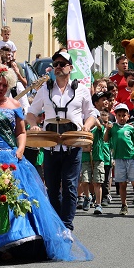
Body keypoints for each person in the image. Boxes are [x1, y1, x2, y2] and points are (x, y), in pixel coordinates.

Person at [0, 65, 92, 262]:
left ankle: (16, 244)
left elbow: (21, 132)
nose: (0, 88)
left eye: (5, 85)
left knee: (18, 201)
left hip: (11, 158)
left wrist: (21, 149)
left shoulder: (15, 105)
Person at [26, 51, 98, 230]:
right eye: (56, 63)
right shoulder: (45, 89)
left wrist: (86, 127)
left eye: (62, 64)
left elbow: (92, 114)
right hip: (50, 146)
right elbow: (30, 113)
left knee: (69, 185)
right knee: (51, 187)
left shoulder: (80, 89)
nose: (58, 67)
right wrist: (34, 125)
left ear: (70, 68)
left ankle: (66, 224)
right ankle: (57, 222)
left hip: (72, 145)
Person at [104, 103, 134, 215]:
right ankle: (124, 205)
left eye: (124, 115)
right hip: (119, 159)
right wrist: (107, 130)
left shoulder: (130, 128)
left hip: (131, 158)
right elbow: (106, 140)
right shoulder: (112, 127)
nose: (121, 118)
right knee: (122, 183)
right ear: (116, 116)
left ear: (128, 116)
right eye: (119, 115)